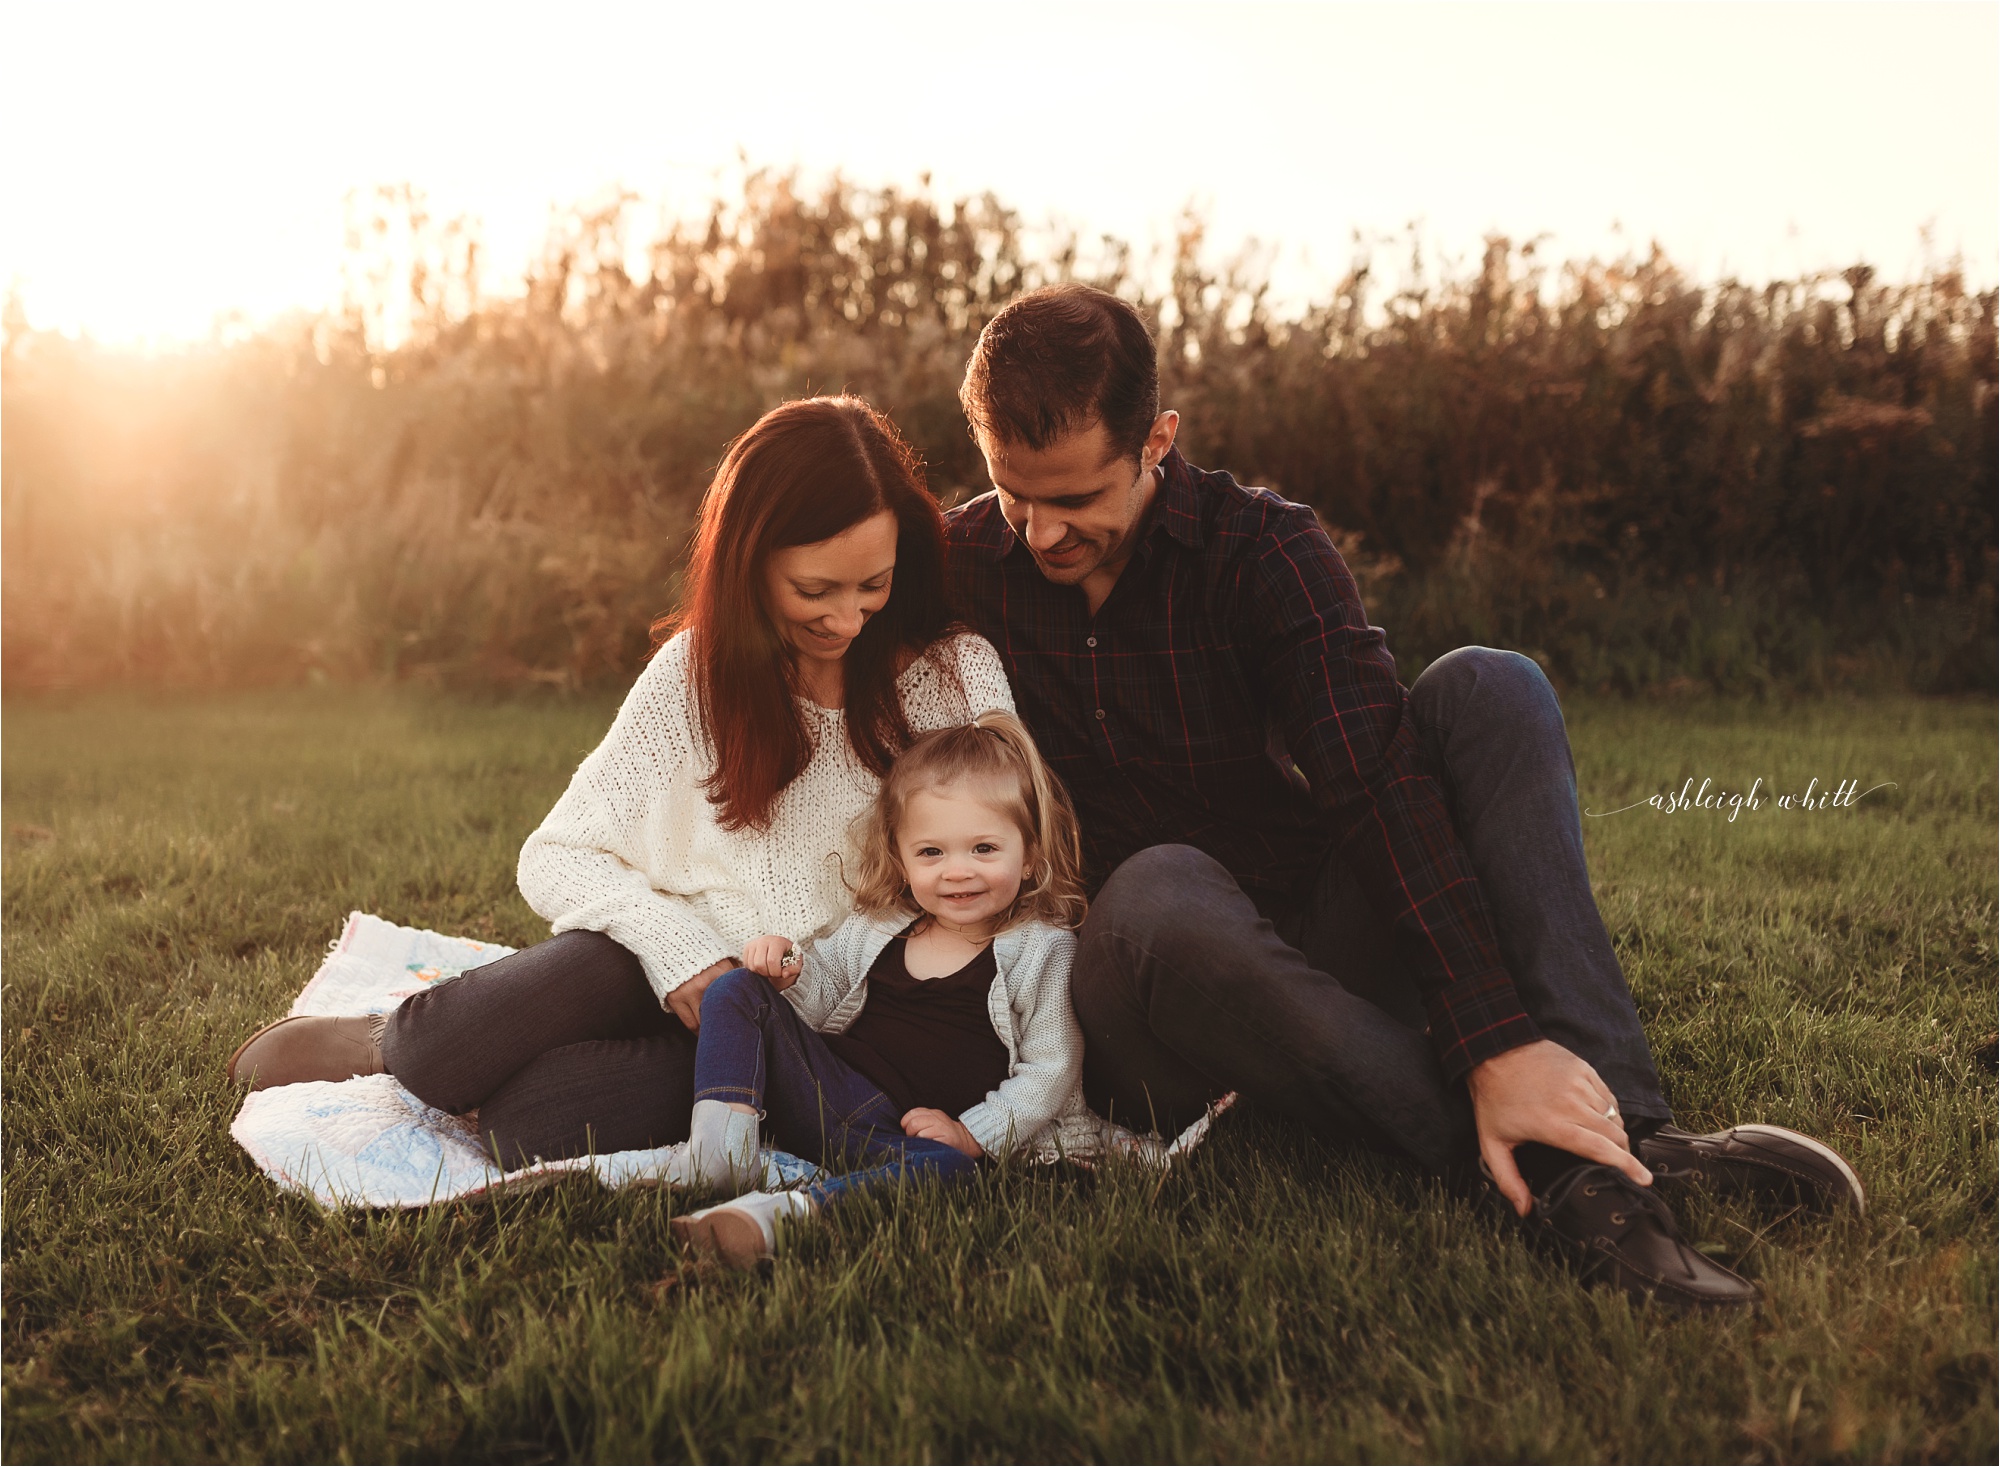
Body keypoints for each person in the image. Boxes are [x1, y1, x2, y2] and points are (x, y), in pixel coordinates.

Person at [941, 283, 1863, 1309]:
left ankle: (1622, 1127)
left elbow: (1377, 779)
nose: (1040, 536)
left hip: (1306, 935)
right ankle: (1573, 1174)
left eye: (1075, 501)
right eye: (1014, 497)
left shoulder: (1260, 549)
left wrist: (1492, 1036)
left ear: (1156, 441)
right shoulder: (958, 570)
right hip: (1141, 994)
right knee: (1157, 888)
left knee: (1487, 683)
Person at [227, 396, 1015, 1166]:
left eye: (872, 585)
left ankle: (567, 1059)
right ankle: (383, 1037)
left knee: (526, 1125)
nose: (847, 618)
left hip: (812, 1036)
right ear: (751, 561)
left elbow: (1026, 846)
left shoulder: (954, 679)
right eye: (816, 590)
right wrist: (679, 954)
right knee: (438, 1051)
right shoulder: (694, 678)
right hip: (664, 968)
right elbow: (559, 853)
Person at [671, 710, 1103, 1268]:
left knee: (952, 1173)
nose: (957, 871)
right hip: (831, 1094)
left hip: (906, 1142)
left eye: (984, 849)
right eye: (931, 852)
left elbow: (1051, 1068)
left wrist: (971, 1135)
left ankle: (785, 1215)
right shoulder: (880, 924)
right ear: (900, 859)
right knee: (734, 989)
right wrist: (788, 973)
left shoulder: (1041, 948)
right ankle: (718, 1156)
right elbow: (821, 996)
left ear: (1030, 858)